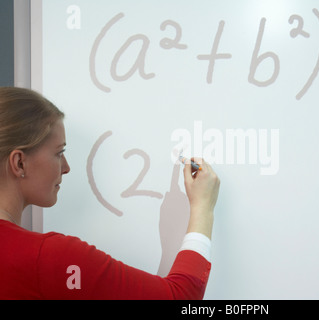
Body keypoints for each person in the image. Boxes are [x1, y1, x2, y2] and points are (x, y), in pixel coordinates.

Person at [0, 87, 220, 300]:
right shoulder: (47, 257)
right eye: (59, 153)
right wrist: (203, 207)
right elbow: (180, 297)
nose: (66, 167)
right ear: (19, 163)